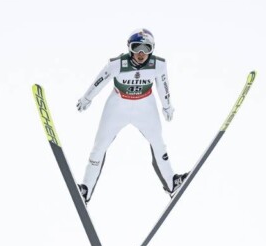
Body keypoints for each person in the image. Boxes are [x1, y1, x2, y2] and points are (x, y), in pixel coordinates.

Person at [75, 28, 188, 204]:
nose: (141, 53)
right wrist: (87, 98)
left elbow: (163, 87)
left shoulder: (158, 65)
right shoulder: (117, 64)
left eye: (146, 48)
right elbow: (100, 81)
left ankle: (172, 183)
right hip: (118, 106)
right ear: (129, 48)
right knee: (99, 147)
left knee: (158, 143)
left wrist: (167, 106)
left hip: (145, 107)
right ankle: (85, 190)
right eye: (136, 48)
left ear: (152, 49)